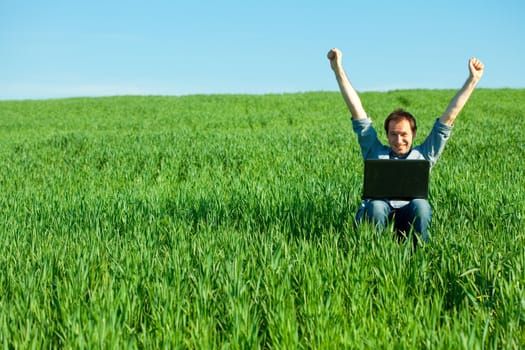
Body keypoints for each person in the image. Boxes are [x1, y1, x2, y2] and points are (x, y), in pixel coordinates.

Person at [327, 48, 484, 245]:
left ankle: (419, 253)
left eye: (404, 135)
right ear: (387, 135)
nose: (398, 140)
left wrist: (473, 80)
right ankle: (373, 252)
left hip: (407, 217)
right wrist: (337, 69)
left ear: (413, 134)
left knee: (422, 205)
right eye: (393, 134)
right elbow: (357, 112)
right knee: (375, 205)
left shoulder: (423, 155)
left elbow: (448, 119)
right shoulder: (375, 151)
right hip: (378, 213)